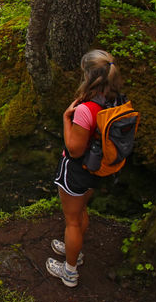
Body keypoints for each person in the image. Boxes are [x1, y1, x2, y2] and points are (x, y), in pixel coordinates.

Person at [46, 49, 123, 287]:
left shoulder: (86, 110)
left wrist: (65, 119)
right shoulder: (116, 100)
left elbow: (74, 149)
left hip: (78, 169)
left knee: (72, 221)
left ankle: (69, 271)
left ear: (88, 76)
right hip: (97, 167)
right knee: (80, 213)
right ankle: (74, 251)